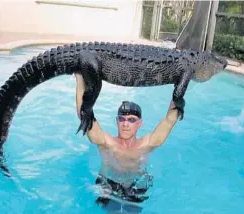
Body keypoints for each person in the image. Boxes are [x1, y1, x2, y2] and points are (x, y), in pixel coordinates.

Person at [75, 73, 179, 213]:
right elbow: (84, 115)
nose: (125, 124)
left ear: (139, 124)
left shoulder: (147, 144)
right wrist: (80, 78)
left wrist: (180, 86)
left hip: (137, 186)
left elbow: (169, 120)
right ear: (117, 121)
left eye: (131, 120)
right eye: (122, 119)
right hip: (108, 185)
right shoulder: (106, 142)